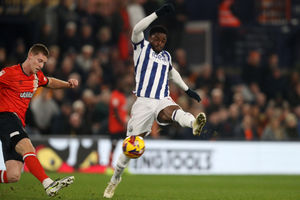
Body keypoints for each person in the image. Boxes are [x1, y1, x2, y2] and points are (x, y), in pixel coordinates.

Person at [103, 4, 206, 198]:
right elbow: (136, 29)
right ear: (150, 38)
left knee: (174, 111)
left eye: (163, 40)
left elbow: (172, 73)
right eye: (157, 38)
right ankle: (115, 179)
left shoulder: (166, 56)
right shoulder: (141, 48)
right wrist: (157, 14)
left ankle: (194, 124)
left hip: (162, 99)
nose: (160, 42)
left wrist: (187, 89)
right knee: (129, 146)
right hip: (143, 102)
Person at [0, 44, 78, 197]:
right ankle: (48, 183)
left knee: (13, 175)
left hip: (17, 122)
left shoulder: (36, 76)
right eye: (39, 61)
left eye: (43, 63)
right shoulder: (9, 73)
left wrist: (67, 84)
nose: (41, 65)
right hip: (4, 117)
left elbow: (50, 82)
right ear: (30, 56)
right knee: (27, 146)